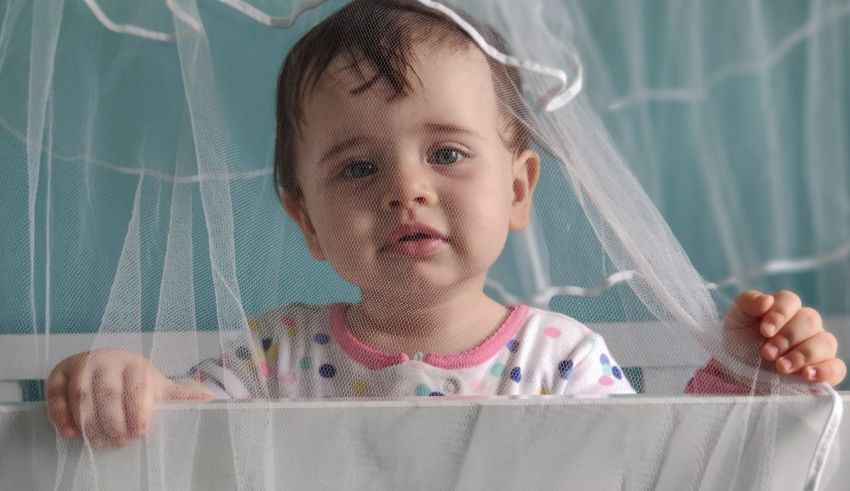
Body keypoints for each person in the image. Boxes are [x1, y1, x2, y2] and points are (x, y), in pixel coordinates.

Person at [45, 0, 845, 449]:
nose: (406, 190)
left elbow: (656, 462)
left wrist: (746, 377)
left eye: (449, 153)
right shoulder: (274, 353)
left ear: (520, 190)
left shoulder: (560, 359)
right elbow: (181, 430)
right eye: (358, 168)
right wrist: (128, 384)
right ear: (308, 223)